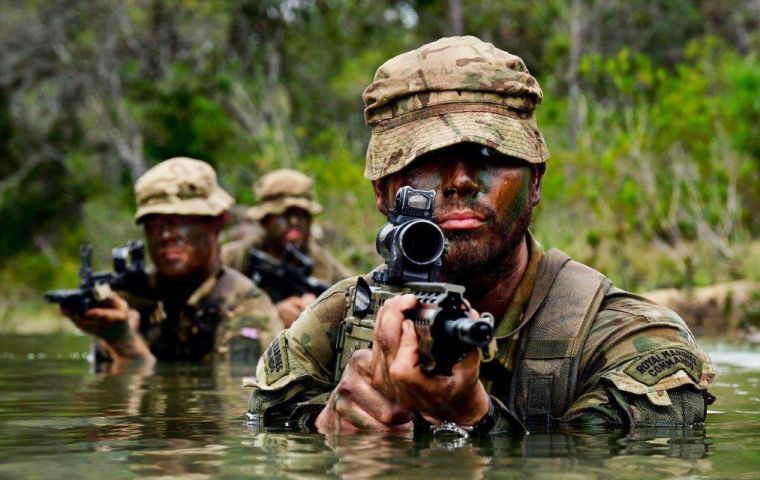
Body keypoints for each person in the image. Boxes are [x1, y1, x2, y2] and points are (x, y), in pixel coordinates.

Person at [246, 36, 715, 434]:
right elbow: (260, 435)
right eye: (426, 161)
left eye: (489, 156)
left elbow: (608, 464)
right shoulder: (333, 325)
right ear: (383, 190)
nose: (461, 180)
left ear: (534, 181)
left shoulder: (629, 341)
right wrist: (328, 428)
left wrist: (473, 415)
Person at [62, 157, 281, 367]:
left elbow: (234, 396)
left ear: (217, 222)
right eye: (153, 223)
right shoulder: (132, 299)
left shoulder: (247, 306)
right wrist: (107, 334)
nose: (165, 235)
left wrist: (125, 343)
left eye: (180, 220)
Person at [222, 169, 351, 328]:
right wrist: (272, 314)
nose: (294, 221)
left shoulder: (327, 268)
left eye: (302, 213)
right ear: (264, 219)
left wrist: (323, 310)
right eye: (284, 213)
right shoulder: (233, 259)